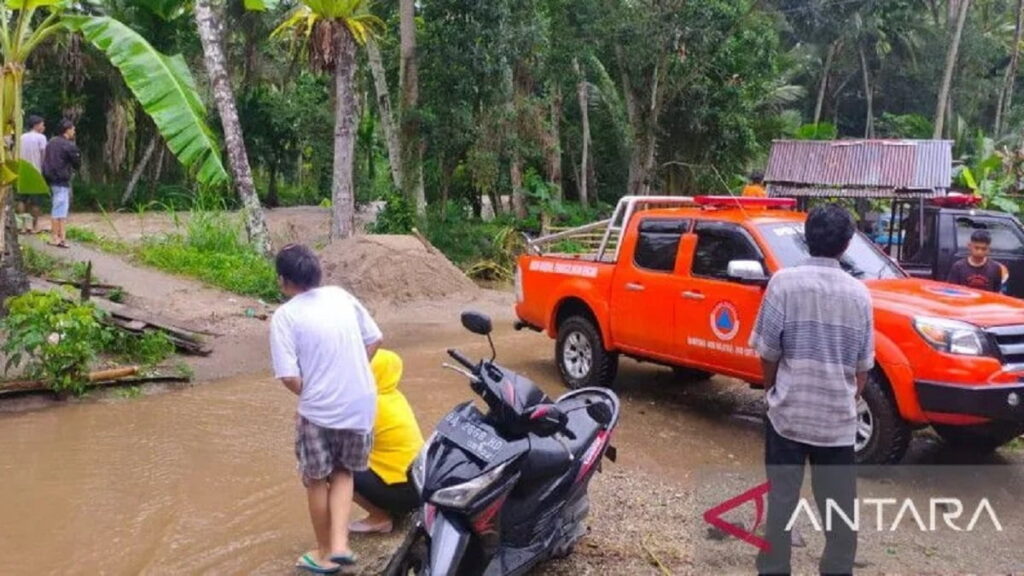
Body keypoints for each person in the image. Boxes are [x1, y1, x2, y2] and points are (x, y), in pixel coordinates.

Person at [750, 203, 873, 576]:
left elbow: (768, 351)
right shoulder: (859, 294)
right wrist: (846, 398)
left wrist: (773, 389)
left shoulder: (783, 284)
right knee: (838, 507)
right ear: (847, 244)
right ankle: (836, 569)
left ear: (806, 239)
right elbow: (862, 367)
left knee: (782, 500)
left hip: (788, 415)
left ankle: (774, 567)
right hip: (836, 422)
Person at [269, 244, 383, 575]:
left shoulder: (285, 316)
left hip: (319, 408)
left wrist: (315, 390)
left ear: (283, 280)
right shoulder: (341, 296)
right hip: (360, 401)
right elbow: (375, 339)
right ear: (317, 273)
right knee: (344, 473)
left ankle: (324, 554)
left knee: (316, 479)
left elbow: (289, 377)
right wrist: (349, 375)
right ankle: (340, 545)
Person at [350, 349, 424, 534]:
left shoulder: (369, 406)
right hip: (418, 485)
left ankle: (379, 518)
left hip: (404, 491)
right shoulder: (394, 397)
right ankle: (388, 510)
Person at [41, 119, 81, 248]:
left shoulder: (51, 142)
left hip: (51, 178)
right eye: (73, 129)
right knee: (60, 208)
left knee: (60, 207)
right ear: (67, 130)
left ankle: (61, 237)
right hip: (61, 180)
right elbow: (77, 163)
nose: (74, 131)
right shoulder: (68, 145)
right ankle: (56, 237)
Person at [16, 115, 47, 234]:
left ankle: (22, 226)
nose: (44, 127)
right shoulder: (41, 138)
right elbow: (44, 155)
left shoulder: (21, 137)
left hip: (22, 172)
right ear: (36, 125)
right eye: (42, 124)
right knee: (35, 202)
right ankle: (33, 227)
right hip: (36, 172)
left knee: (21, 200)